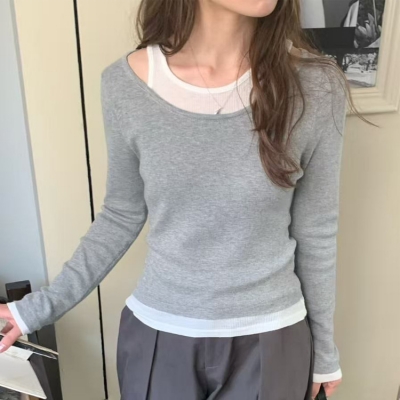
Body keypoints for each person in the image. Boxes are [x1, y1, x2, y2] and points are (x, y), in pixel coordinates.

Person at [0, 0, 367, 398]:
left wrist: (324, 351)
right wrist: (34, 309)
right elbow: (120, 214)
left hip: (271, 338)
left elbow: (316, 230)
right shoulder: (125, 84)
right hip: (160, 337)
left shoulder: (316, 85)